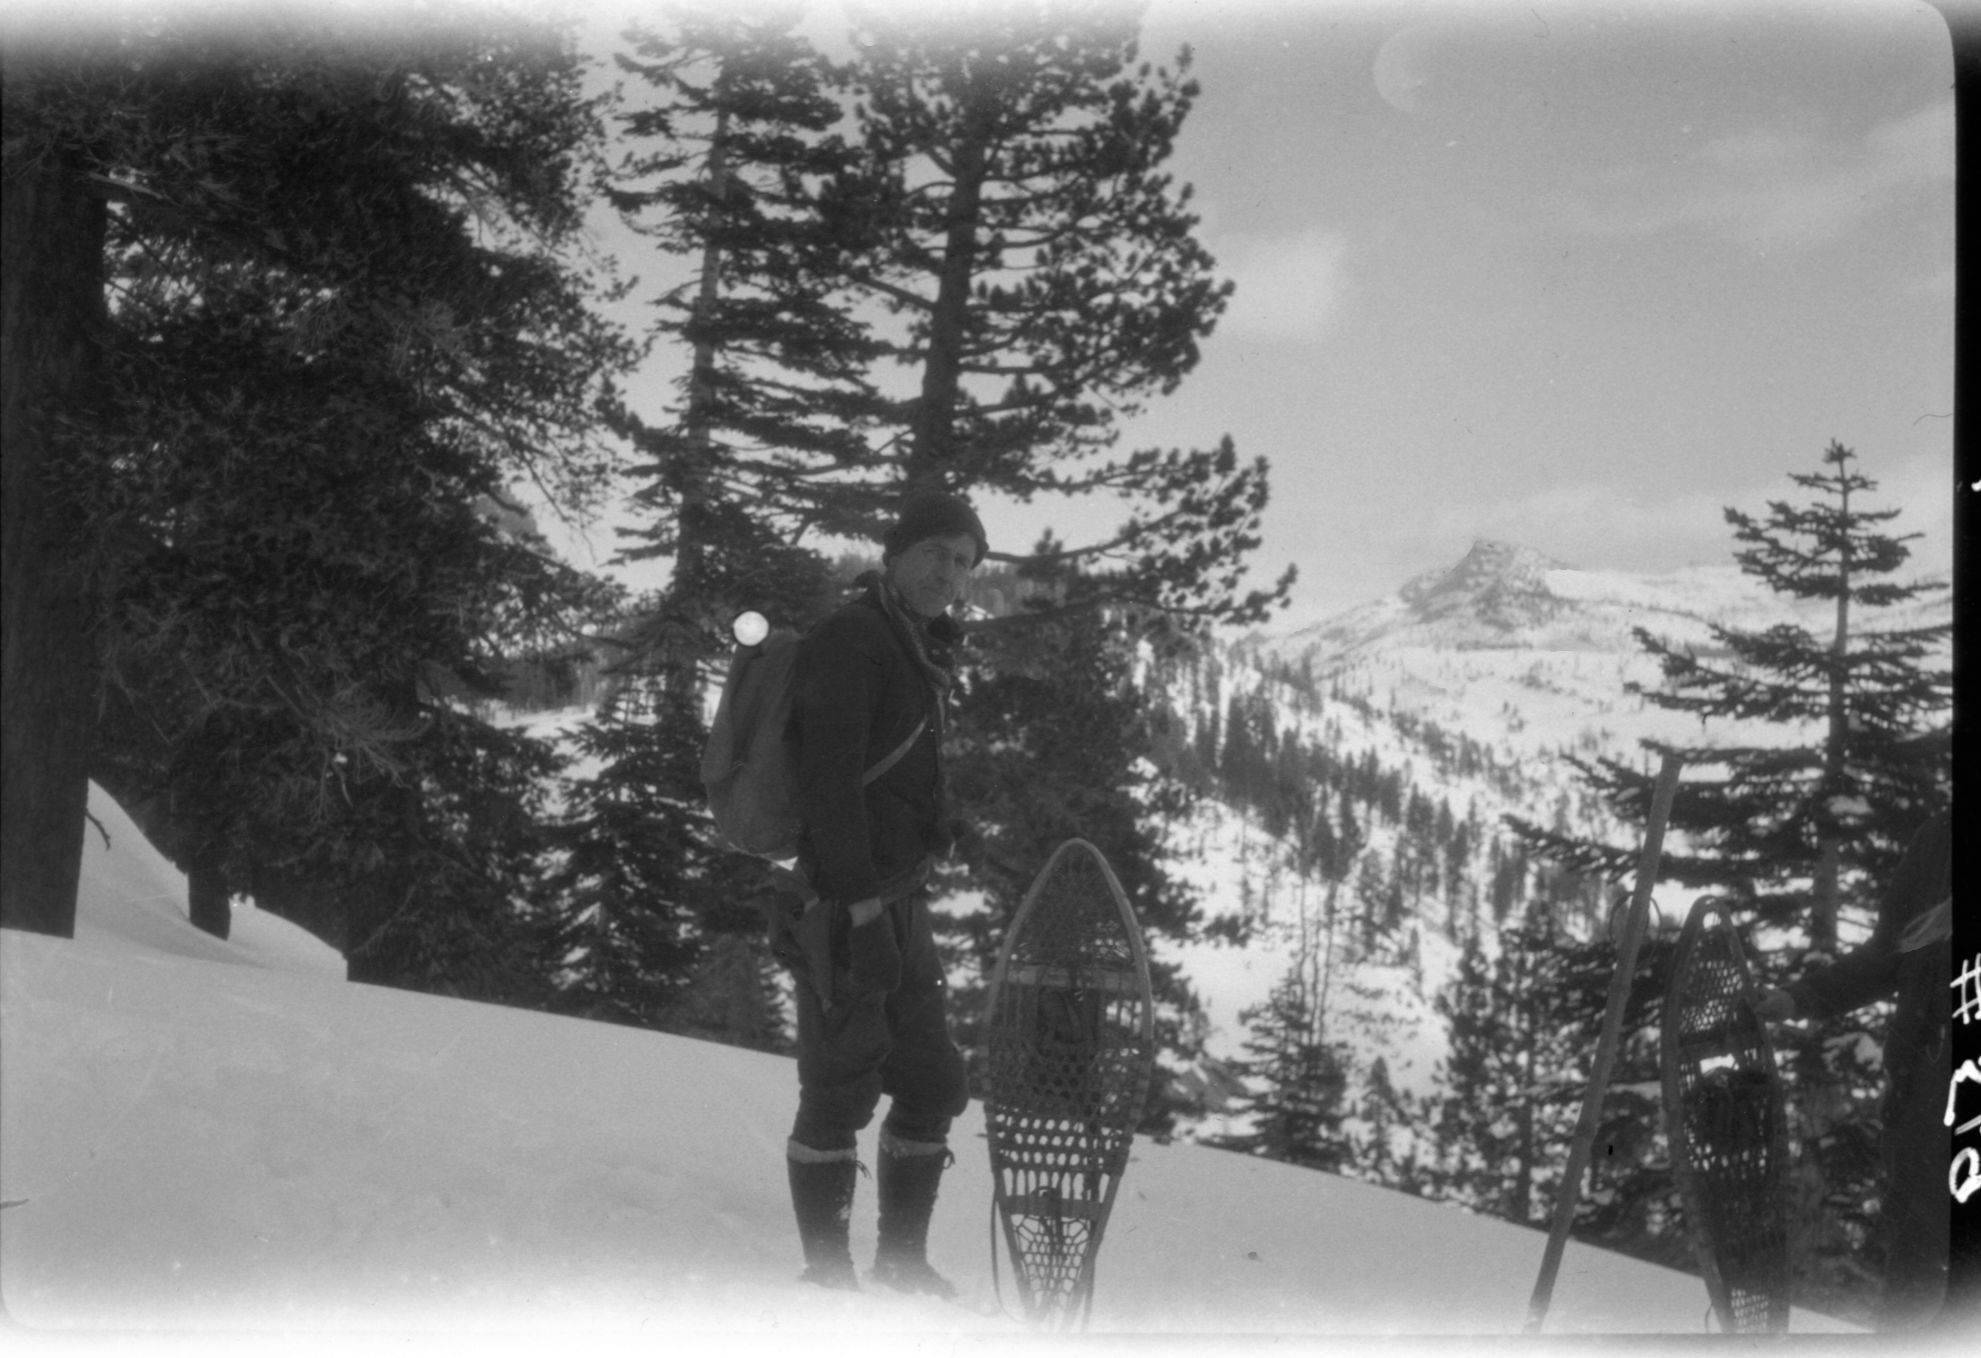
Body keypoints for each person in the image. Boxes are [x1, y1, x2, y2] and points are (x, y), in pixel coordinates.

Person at [772, 489, 987, 1294]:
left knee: (932, 1081)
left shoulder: (911, 645)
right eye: (935, 552)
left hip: (899, 901)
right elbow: (829, 787)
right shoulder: (853, 640)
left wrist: (934, 821)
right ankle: (826, 1277)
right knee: (838, 1086)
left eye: (963, 563)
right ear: (895, 553)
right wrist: (859, 907)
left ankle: (899, 1262)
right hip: (845, 903)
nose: (948, 573)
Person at [1754, 804, 1953, 1330]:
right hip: (1927, 1111)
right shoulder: (1940, 838)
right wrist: (1799, 998)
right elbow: (1888, 954)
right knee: (1915, 1278)